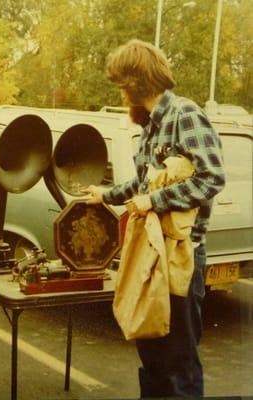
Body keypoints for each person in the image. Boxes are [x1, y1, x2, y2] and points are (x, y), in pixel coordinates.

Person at [83, 39, 225, 397]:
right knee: (152, 353)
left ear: (135, 81)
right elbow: (142, 182)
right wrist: (107, 195)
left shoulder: (185, 115)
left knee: (178, 361)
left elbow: (211, 178)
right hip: (151, 253)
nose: (119, 91)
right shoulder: (150, 126)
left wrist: (154, 201)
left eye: (120, 83)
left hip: (181, 256)